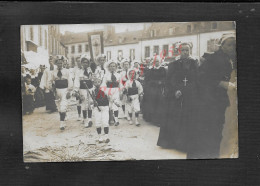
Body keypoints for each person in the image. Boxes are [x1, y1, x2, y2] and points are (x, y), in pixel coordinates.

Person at [187, 33, 237, 159]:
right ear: (222, 45)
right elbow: (202, 78)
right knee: (210, 132)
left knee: (219, 132)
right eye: (229, 45)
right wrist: (222, 83)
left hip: (222, 101)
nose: (232, 47)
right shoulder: (213, 58)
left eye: (234, 45)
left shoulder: (231, 58)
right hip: (209, 102)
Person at [157, 42, 199, 153]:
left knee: (188, 118)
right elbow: (170, 80)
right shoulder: (173, 65)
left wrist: (186, 90)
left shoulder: (194, 63)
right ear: (179, 51)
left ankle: (185, 143)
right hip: (175, 95)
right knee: (175, 118)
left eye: (187, 50)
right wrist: (175, 91)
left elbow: (196, 80)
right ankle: (173, 142)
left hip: (190, 95)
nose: (185, 52)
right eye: (183, 50)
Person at [48, 56, 73, 130]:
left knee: (63, 107)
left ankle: (62, 124)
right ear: (56, 64)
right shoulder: (53, 72)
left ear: (63, 63)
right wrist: (51, 88)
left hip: (65, 90)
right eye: (58, 63)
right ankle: (63, 117)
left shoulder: (67, 71)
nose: (60, 64)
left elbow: (70, 81)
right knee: (59, 107)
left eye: (61, 63)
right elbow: (50, 81)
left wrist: (69, 91)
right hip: (57, 91)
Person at [142, 56, 166, 126]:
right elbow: (147, 80)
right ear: (153, 63)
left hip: (161, 88)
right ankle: (153, 119)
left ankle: (159, 120)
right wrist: (155, 83)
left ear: (160, 62)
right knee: (152, 103)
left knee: (160, 103)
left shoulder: (163, 70)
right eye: (155, 62)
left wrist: (162, 82)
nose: (156, 63)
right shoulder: (150, 70)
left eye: (158, 61)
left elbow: (166, 78)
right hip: (152, 89)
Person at [74, 55, 94, 128]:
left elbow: (94, 80)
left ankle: (90, 119)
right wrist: (76, 90)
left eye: (86, 62)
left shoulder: (91, 70)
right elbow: (76, 81)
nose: (85, 64)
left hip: (91, 89)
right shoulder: (79, 71)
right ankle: (85, 120)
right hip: (82, 89)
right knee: (84, 104)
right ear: (81, 63)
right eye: (83, 62)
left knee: (90, 104)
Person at [102, 59, 122, 126]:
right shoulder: (106, 75)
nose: (112, 67)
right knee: (109, 105)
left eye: (114, 66)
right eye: (111, 66)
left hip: (116, 91)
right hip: (108, 90)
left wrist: (121, 91)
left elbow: (120, 84)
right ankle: (110, 118)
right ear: (108, 67)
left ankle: (116, 120)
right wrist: (105, 92)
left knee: (116, 105)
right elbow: (103, 84)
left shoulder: (118, 75)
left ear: (116, 67)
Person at [92, 76, 110, 143]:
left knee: (105, 121)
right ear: (93, 83)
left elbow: (109, 98)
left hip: (105, 107)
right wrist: (93, 103)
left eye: (98, 81)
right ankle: (100, 136)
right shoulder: (92, 91)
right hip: (97, 108)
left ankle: (106, 136)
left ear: (101, 82)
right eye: (95, 82)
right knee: (98, 122)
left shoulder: (105, 90)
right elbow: (90, 101)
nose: (97, 83)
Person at [74, 56, 83, 121]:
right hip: (77, 87)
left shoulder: (84, 69)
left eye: (80, 61)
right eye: (77, 61)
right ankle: (79, 115)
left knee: (84, 101)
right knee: (78, 102)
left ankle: (85, 116)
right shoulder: (74, 70)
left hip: (83, 87)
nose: (79, 62)